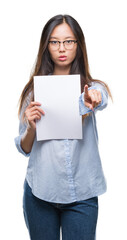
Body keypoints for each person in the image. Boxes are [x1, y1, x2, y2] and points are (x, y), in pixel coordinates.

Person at [15, 14, 112, 240]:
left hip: (82, 195)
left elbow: (101, 98)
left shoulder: (91, 88)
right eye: (55, 41)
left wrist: (92, 100)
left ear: (78, 45)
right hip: (40, 193)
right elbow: (24, 148)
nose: (62, 48)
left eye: (69, 41)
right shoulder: (33, 91)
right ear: (46, 46)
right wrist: (30, 127)